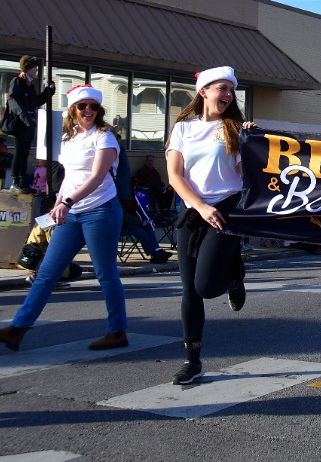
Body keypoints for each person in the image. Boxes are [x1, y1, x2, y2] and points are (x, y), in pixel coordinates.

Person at [0, 84, 128, 352]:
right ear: (73, 109)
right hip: (71, 212)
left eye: (93, 106)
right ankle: (17, 329)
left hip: (101, 211)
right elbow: (70, 176)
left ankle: (117, 332)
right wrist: (58, 202)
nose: (88, 110)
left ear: (99, 110)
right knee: (46, 273)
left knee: (106, 274)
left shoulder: (104, 137)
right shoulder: (69, 139)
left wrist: (68, 202)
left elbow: (96, 177)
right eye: (83, 106)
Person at [165, 66, 255, 385]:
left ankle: (233, 277)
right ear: (204, 92)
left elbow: (249, 174)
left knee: (206, 286)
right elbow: (175, 175)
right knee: (190, 291)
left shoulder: (236, 128)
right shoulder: (183, 129)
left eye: (231, 90)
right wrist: (199, 205)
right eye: (221, 88)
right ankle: (192, 360)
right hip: (193, 210)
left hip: (227, 208)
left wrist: (253, 143)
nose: (228, 95)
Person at [115, 135, 172, 264]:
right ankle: (153, 253)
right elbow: (124, 216)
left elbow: (136, 211)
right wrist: (140, 222)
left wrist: (144, 221)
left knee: (149, 227)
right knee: (142, 231)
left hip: (133, 220)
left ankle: (157, 251)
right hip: (123, 223)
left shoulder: (130, 197)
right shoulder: (117, 198)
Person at [6, 55, 55, 193]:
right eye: (34, 67)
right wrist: (25, 116)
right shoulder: (17, 81)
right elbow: (14, 101)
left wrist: (48, 92)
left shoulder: (30, 85)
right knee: (19, 152)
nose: (36, 69)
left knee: (25, 152)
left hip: (28, 124)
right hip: (20, 123)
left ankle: (22, 180)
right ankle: (15, 180)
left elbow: (36, 101)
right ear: (27, 68)